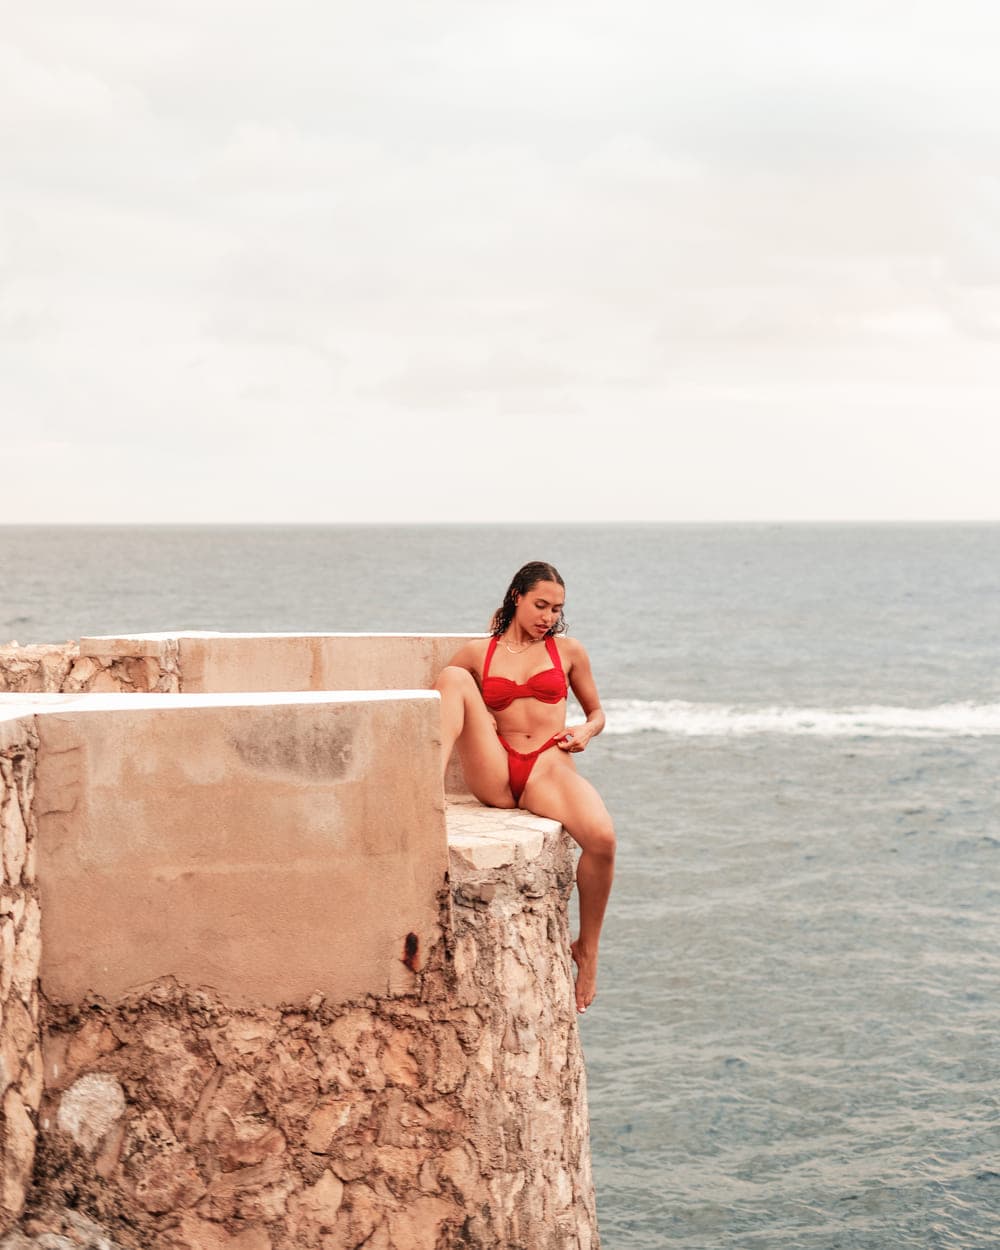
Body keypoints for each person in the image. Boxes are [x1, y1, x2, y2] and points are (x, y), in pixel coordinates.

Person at [435, 561, 616, 1014]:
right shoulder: (480, 654)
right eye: (540, 605)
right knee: (452, 678)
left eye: (556, 609)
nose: (548, 617)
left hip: (547, 766)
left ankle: (588, 950)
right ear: (516, 596)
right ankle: (423, 790)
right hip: (496, 768)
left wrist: (586, 732)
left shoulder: (568, 651)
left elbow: (597, 713)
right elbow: (442, 703)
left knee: (603, 841)